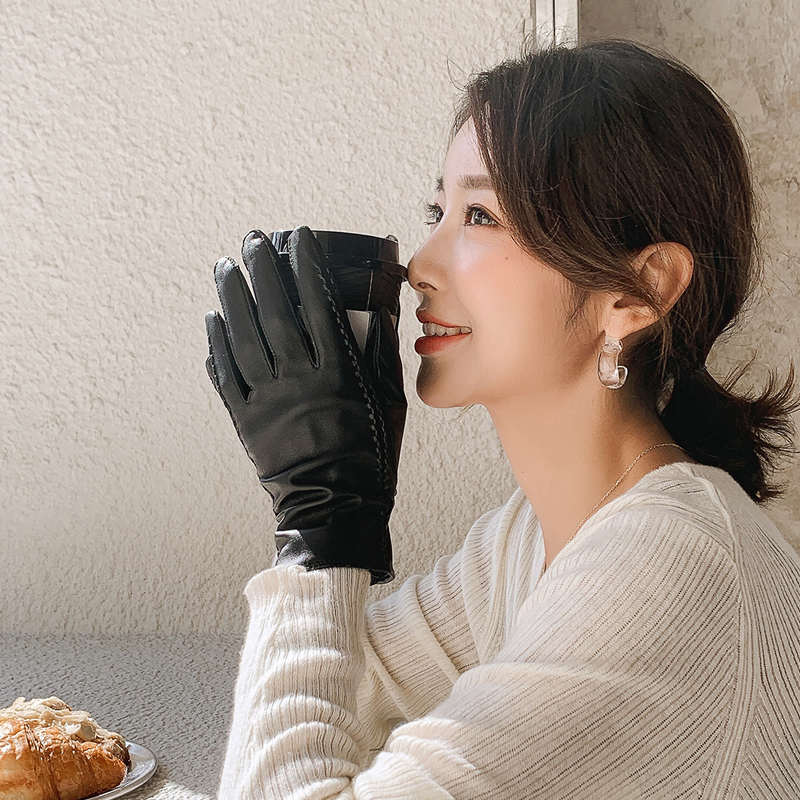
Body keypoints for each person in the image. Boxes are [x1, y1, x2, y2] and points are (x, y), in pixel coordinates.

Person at [204, 37, 800, 799]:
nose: (419, 264)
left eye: (479, 215)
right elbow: (337, 688)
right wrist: (333, 501)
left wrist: (319, 523)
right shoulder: (526, 539)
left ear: (639, 291)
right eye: (438, 210)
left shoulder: (667, 566)